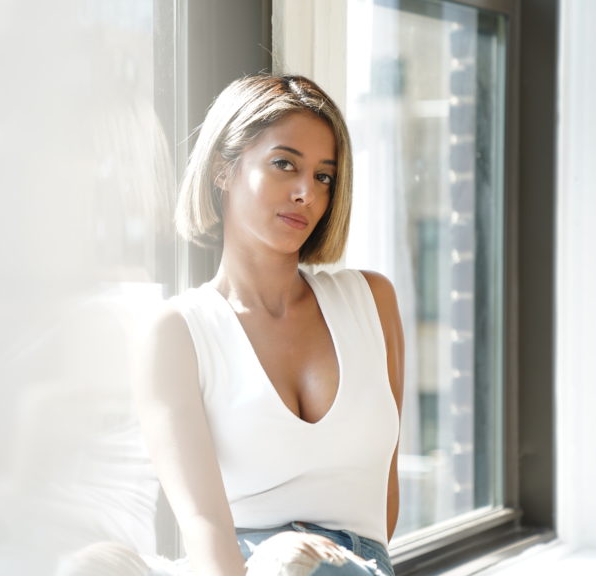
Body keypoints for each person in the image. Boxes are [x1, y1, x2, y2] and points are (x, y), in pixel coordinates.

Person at [137, 74, 405, 576]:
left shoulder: (372, 302)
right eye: (285, 164)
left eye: (324, 177)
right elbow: (203, 527)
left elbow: (383, 503)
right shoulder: (178, 332)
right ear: (223, 169)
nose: (306, 192)